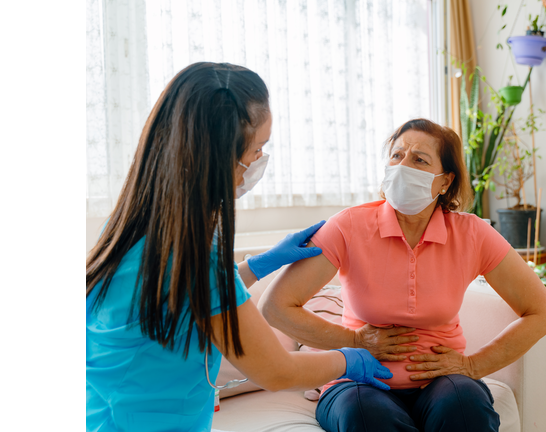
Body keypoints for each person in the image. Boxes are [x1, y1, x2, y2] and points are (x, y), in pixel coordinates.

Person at [86, 62, 391, 432]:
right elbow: (277, 371)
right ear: (217, 158)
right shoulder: (198, 260)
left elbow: (185, 299)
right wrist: (350, 359)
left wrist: (260, 265)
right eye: (257, 148)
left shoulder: (127, 230)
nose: (259, 161)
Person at [259, 118, 546, 432]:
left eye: (419, 159)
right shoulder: (348, 226)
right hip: (358, 381)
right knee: (367, 415)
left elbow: (543, 311)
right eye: (396, 155)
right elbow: (276, 307)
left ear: (445, 181)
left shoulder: (472, 234)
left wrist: (473, 365)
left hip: (441, 381)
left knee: (465, 406)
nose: (403, 165)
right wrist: (355, 340)